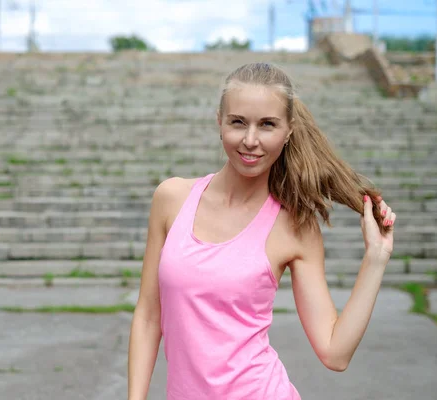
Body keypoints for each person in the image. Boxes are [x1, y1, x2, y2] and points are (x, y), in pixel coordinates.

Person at [127, 62, 396, 400]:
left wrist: (376, 257)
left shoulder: (294, 225)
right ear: (219, 122)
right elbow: (150, 316)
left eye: (267, 125)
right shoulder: (171, 199)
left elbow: (334, 352)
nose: (250, 140)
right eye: (238, 122)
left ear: (288, 131)